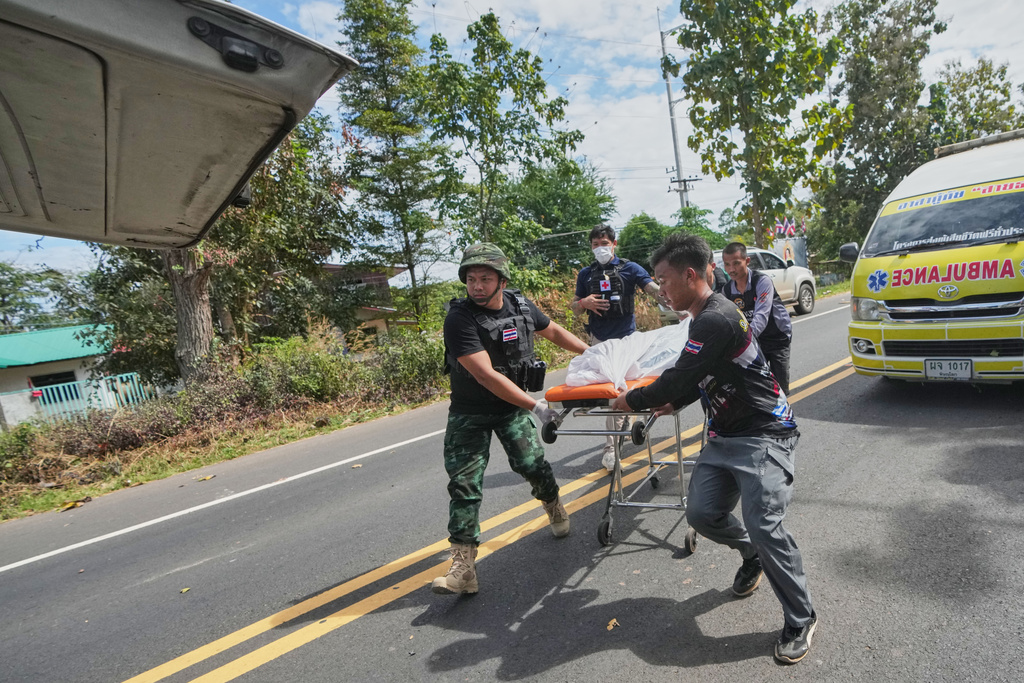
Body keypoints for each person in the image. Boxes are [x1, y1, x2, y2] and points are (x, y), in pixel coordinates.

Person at [610, 233, 816, 665]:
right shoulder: (699, 318)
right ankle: (752, 555)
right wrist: (676, 400)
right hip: (724, 433)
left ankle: (801, 616)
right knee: (702, 514)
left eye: (664, 280)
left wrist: (630, 399)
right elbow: (700, 374)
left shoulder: (716, 318)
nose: (660, 290)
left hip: (765, 431)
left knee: (765, 523)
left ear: (690, 275)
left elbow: (678, 376)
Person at [432, 243, 590, 596]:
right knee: (464, 486)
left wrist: (592, 353)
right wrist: (535, 407)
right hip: (470, 413)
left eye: (485, 278)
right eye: (471, 279)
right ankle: (463, 566)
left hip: (509, 410)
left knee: (532, 465)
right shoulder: (459, 318)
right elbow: (486, 375)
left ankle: (552, 504)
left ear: (501, 281)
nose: (476, 286)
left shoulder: (520, 305)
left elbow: (554, 331)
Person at [571, 224, 662, 471]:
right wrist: (584, 302)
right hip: (599, 341)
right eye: (595, 244)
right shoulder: (585, 275)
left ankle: (617, 438)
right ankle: (611, 449)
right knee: (612, 394)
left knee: (623, 392)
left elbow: (652, 289)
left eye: (604, 243)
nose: (599, 248)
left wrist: (675, 300)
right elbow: (574, 308)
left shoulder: (630, 268)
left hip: (626, 341)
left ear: (614, 244)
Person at [720, 242, 793, 395]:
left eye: (736, 263)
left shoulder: (762, 281)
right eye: (727, 264)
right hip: (753, 341)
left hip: (777, 338)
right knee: (757, 388)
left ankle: (782, 415)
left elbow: (761, 315)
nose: (731, 269)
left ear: (747, 261)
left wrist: (743, 341)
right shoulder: (727, 291)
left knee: (779, 390)